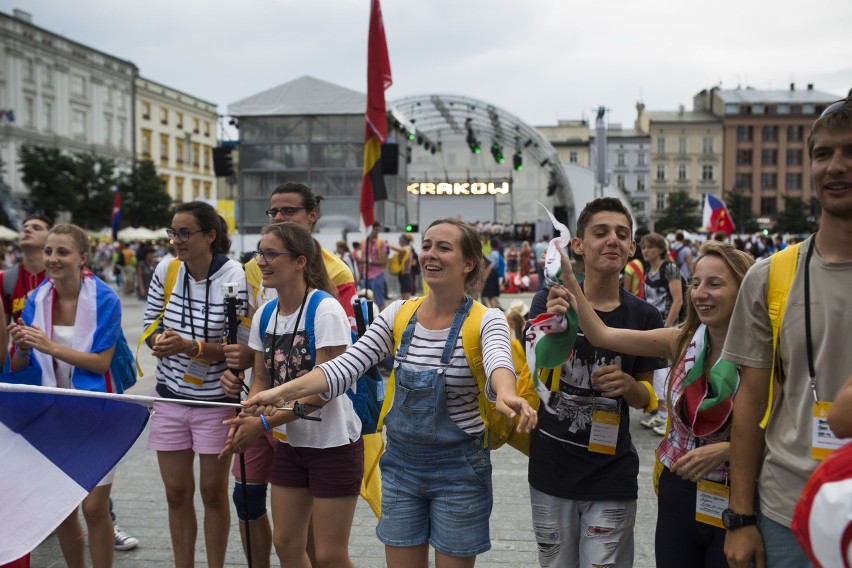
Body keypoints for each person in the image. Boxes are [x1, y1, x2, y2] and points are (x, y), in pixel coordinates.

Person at [242, 218, 538, 568]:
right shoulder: (398, 313)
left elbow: (498, 362)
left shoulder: (487, 320)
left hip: (460, 470)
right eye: (426, 245)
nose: (430, 254)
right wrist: (276, 394)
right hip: (402, 467)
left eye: (444, 248)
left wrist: (505, 393)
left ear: (469, 263)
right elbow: (342, 368)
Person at [550, 240, 755, 567]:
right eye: (697, 283)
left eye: (715, 284)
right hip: (679, 490)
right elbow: (603, 335)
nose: (700, 293)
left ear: (745, 289)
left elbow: (784, 431)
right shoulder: (682, 341)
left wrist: (730, 449)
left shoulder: (763, 355)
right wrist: (572, 284)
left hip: (738, 494)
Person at [721, 94, 852, 568]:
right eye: (823, 154)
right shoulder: (770, 275)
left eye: (850, 152)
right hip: (788, 510)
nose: (835, 166)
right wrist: (740, 517)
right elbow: (750, 402)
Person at [223, 182, 358, 568]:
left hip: (332, 445)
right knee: (286, 543)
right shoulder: (266, 313)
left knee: (330, 556)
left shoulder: (325, 309)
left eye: (271, 255)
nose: (261, 262)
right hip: (291, 442)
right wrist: (248, 413)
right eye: (259, 253)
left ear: (300, 261)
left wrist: (263, 420)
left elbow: (324, 390)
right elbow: (262, 379)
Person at [526, 197, 665, 568]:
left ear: (632, 248)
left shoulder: (644, 315)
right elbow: (534, 366)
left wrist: (628, 385)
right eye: (600, 232)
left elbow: (646, 397)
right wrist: (550, 328)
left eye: (622, 234)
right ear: (577, 245)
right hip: (551, 469)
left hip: (611, 474)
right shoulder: (550, 299)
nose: (612, 241)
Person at [7, 224, 125, 568]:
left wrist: (50, 345)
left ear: (83, 258)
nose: (52, 259)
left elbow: (101, 361)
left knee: (94, 506)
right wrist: (24, 345)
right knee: (60, 509)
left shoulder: (106, 298)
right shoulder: (35, 299)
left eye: (62, 252)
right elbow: (21, 363)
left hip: (99, 411)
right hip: (52, 413)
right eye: (49, 252)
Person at [142, 201, 252, 568]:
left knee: (212, 493)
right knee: (175, 493)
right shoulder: (167, 269)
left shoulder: (235, 277)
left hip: (216, 401)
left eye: (185, 232)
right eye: (173, 232)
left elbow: (242, 347)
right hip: (170, 397)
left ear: (210, 236)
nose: (177, 240)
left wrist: (193, 347)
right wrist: (158, 342)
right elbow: (148, 324)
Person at [638, 232, 685, 436]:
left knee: (666, 370)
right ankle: (660, 411)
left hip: (668, 326)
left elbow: (678, 300)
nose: (645, 251)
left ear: (660, 249)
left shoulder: (670, 268)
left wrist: (667, 325)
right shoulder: (650, 269)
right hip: (654, 325)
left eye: (649, 247)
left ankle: (667, 415)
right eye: (643, 247)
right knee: (657, 370)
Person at [355, 222, 389, 311]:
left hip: (377, 275)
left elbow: (384, 261)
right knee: (363, 300)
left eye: (378, 230)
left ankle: (383, 321)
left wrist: (369, 261)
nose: (377, 232)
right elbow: (362, 261)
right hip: (365, 276)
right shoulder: (363, 242)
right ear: (371, 229)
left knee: (379, 300)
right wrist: (359, 276)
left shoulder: (380, 242)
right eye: (376, 229)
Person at [389, 234, 416, 301]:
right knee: (403, 299)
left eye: (399, 240)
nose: (398, 242)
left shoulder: (408, 248)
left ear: (403, 241)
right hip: (402, 276)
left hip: (406, 276)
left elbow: (401, 250)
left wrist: (389, 245)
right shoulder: (403, 250)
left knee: (406, 299)